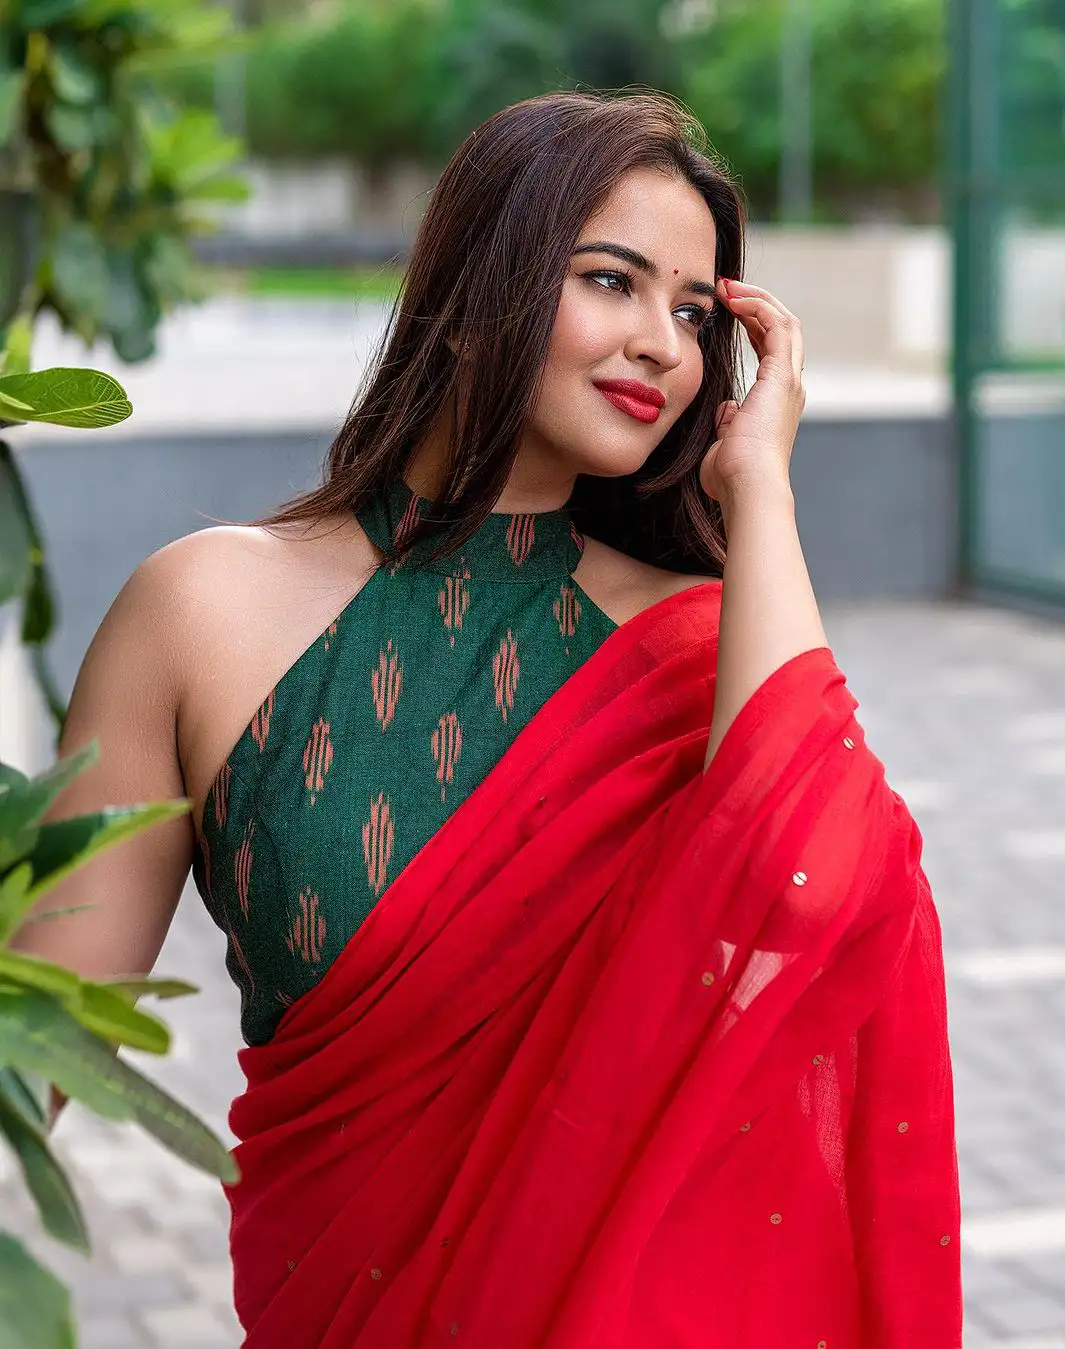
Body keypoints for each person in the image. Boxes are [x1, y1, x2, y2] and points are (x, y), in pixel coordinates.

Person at [15, 89, 962, 1346]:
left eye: (692, 310)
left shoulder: (690, 642)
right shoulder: (199, 609)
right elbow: (38, 1038)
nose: (666, 346)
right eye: (613, 281)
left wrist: (762, 488)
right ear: (473, 294)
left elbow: (812, 890)